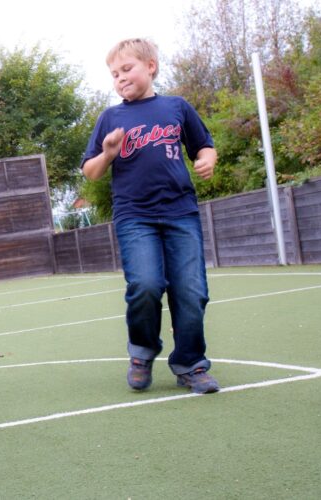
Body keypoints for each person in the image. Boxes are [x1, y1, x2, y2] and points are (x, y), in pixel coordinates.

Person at [80, 39, 220, 394]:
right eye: (114, 74)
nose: (120, 78)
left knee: (191, 291)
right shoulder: (111, 118)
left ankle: (191, 364)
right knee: (145, 285)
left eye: (127, 69)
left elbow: (203, 144)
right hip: (134, 216)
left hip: (180, 212)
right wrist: (108, 153)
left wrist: (207, 159)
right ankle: (142, 353)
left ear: (151, 66)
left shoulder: (177, 107)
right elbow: (91, 172)